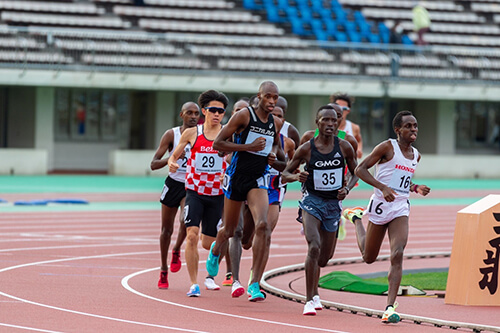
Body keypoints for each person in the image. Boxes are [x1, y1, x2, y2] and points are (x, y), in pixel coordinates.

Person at [343, 110, 430, 323]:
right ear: (397, 129)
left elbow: (401, 182)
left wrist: (415, 187)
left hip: (400, 208)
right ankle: (356, 219)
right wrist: (382, 187)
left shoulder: (416, 155)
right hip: (381, 205)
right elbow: (360, 169)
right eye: (408, 126)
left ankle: (389, 307)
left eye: (415, 125)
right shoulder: (387, 147)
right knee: (368, 257)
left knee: (397, 252)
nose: (413, 129)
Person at [206, 81, 283, 302]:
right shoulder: (243, 116)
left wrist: (274, 156)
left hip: (257, 180)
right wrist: (248, 148)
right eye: (268, 96)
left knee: (263, 226)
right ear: (259, 96)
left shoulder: (275, 123)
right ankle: (216, 248)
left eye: (275, 97)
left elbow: (278, 151)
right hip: (236, 178)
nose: (271, 101)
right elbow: (218, 144)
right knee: (230, 231)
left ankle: (255, 284)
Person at [282, 105, 358, 316]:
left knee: (324, 258)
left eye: (334, 121)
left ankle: (314, 292)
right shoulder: (306, 148)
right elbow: (285, 174)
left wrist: (347, 188)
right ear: (318, 122)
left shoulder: (345, 147)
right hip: (312, 202)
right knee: (313, 246)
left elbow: (356, 172)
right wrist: (296, 176)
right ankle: (309, 298)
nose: (331, 124)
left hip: (333, 205)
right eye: (326, 120)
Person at [168, 90, 229, 297]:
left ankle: (212, 259)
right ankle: (194, 283)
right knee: (192, 236)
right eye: (213, 110)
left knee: (207, 242)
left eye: (221, 111)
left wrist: (227, 173)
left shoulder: (228, 133)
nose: (217, 114)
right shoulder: (192, 133)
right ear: (204, 111)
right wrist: (172, 163)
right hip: (194, 192)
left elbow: (235, 160)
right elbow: (173, 156)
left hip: (217, 194)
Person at [151, 102, 200, 289]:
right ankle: (163, 270)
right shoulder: (172, 135)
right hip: (173, 184)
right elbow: (153, 164)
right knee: (166, 230)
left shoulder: (202, 134)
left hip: (191, 185)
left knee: (185, 222)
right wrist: (171, 159)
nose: (194, 116)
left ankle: (177, 249)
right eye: (189, 113)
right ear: (182, 115)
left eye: (196, 113)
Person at [329, 92, 363, 159]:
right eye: (338, 107)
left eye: (344, 108)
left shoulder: (354, 127)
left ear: (348, 111)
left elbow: (359, 140)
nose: (340, 110)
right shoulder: (326, 126)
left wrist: (359, 149)